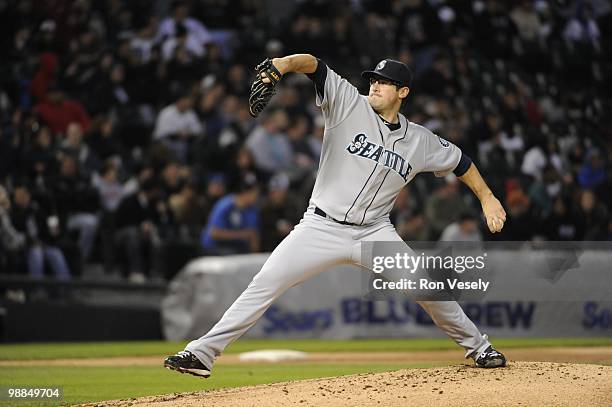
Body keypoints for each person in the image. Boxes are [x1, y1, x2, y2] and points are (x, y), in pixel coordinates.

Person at [165, 55, 508, 377]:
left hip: (375, 233)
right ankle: (202, 354)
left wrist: (488, 197)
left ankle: (480, 348)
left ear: (402, 92)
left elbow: (461, 162)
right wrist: (283, 65)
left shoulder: (420, 140)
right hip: (320, 226)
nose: (375, 85)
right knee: (265, 283)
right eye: (374, 79)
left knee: (428, 290)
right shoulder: (348, 103)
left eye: (385, 82)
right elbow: (314, 64)